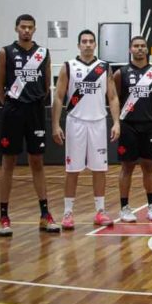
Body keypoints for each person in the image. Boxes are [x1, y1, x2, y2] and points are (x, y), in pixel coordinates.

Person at [0, 14, 60, 236]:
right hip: (13, 111)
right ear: (16, 28)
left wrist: (34, 104)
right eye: (23, 27)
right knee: (8, 162)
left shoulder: (43, 53)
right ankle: (3, 216)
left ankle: (45, 215)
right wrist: (11, 106)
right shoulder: (6, 52)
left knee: (37, 161)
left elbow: (46, 84)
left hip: (35, 112)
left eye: (30, 27)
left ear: (34, 29)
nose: (26, 31)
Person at [52, 29, 121, 229]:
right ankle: (67, 213)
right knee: (72, 170)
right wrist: (55, 124)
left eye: (91, 41)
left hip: (99, 122)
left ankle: (100, 211)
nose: (88, 44)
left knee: (99, 169)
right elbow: (58, 97)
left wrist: (116, 122)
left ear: (96, 45)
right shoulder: (69, 66)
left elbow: (113, 97)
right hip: (75, 122)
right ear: (78, 45)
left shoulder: (104, 67)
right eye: (84, 41)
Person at [113, 36, 152, 222]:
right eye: (136, 46)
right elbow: (114, 99)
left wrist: (147, 115)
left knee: (148, 167)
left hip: (150, 125)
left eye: (143, 46)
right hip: (128, 125)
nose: (140, 49)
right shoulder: (121, 73)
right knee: (127, 167)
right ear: (130, 49)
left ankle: (151, 206)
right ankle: (124, 207)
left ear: (147, 50)